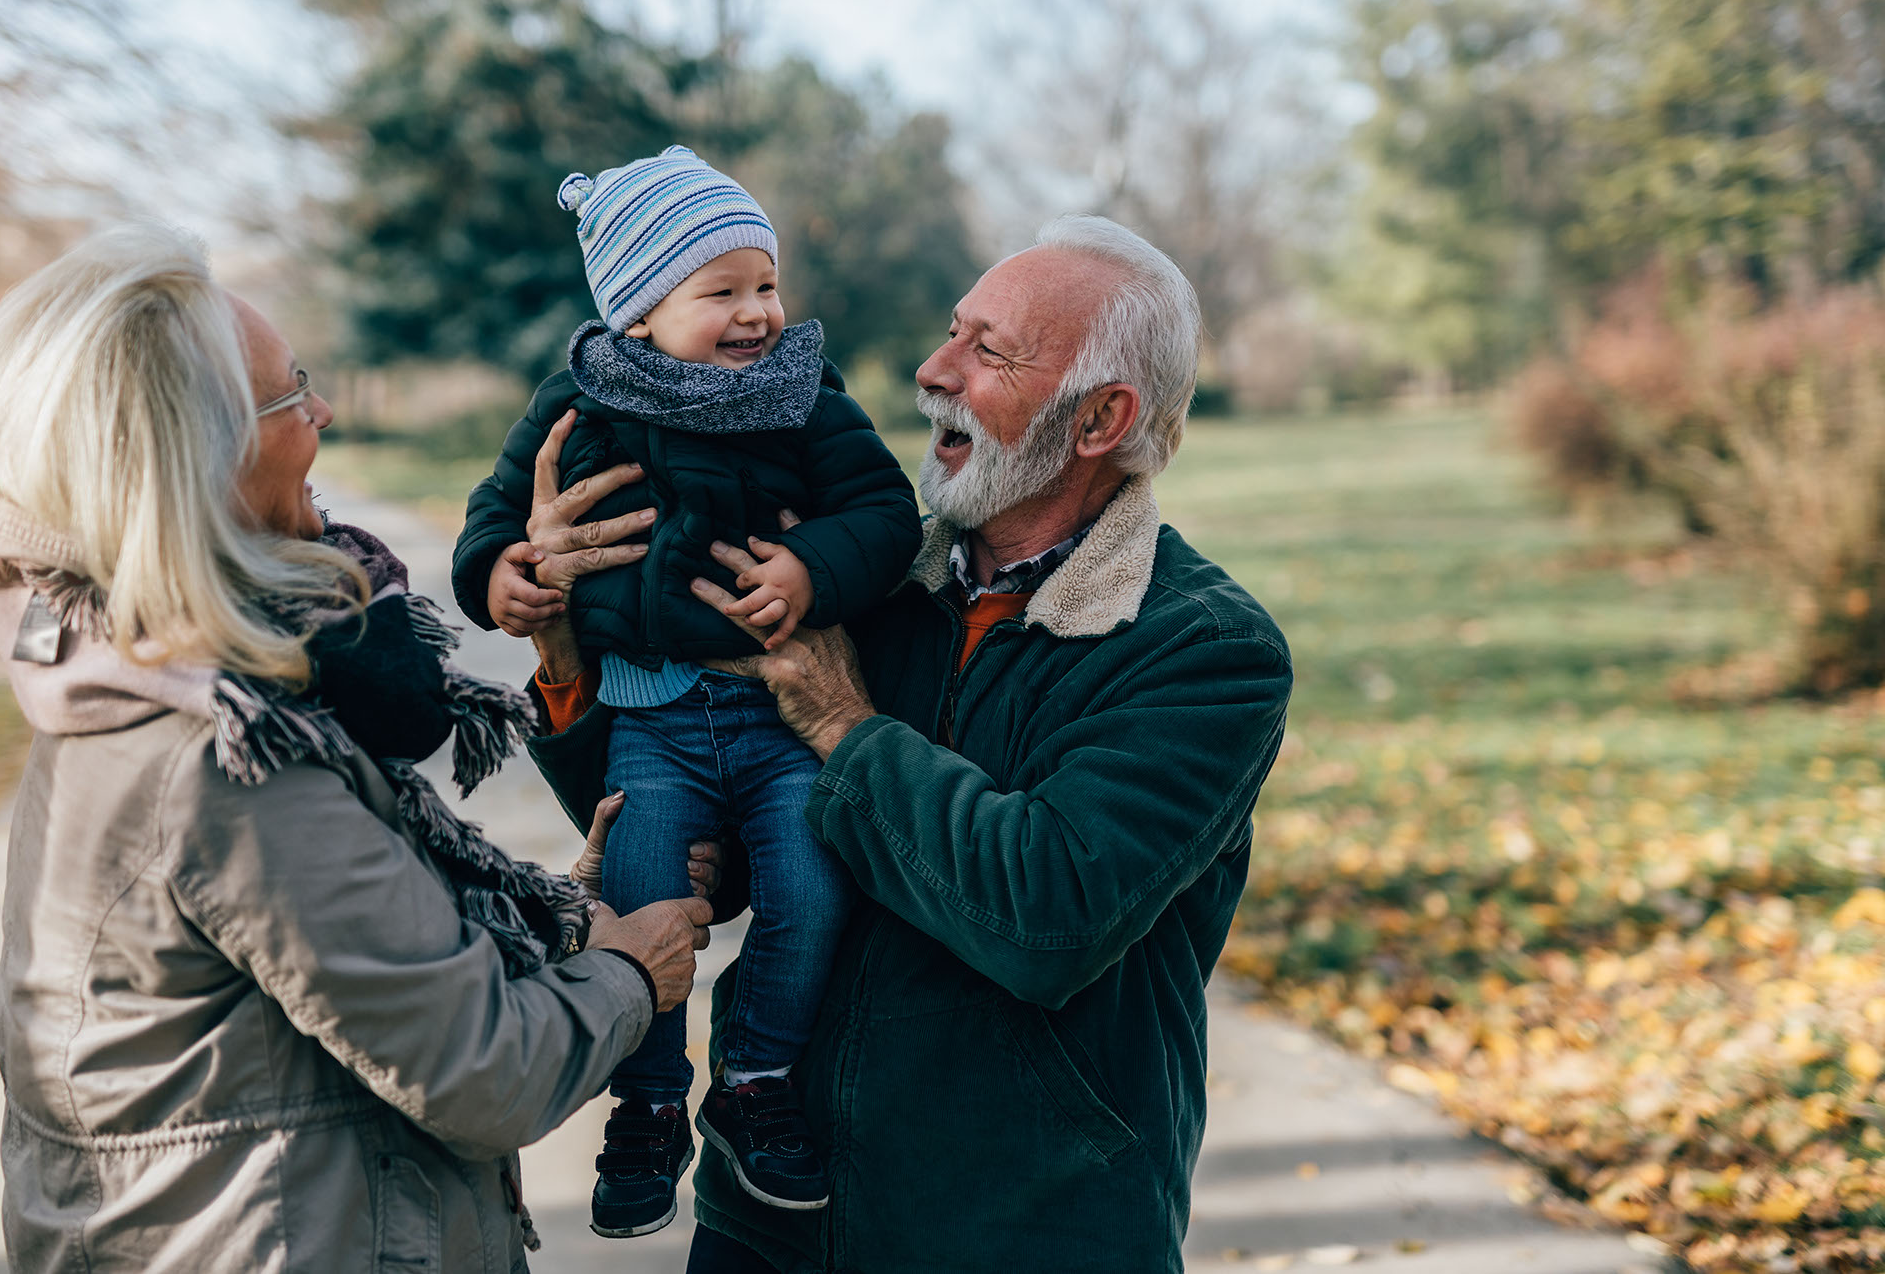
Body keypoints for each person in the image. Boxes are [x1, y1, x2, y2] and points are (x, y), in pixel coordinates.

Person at [502, 214, 1294, 1273]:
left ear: (1102, 417)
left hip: (1023, 1228)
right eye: (952, 332)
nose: (934, 371)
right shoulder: (861, 583)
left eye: (989, 352)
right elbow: (709, 843)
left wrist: (843, 725)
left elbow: (1045, 916)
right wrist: (565, 639)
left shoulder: (1200, 647)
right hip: (771, 1211)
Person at [0, 222, 716, 1273]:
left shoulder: (123, 668)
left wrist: (557, 913)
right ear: (194, 459)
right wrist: (632, 974)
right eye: (287, 398)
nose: (321, 411)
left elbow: (356, 957)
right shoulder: (221, 757)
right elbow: (482, 1068)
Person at [451, 146, 922, 1240]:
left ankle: (753, 1079)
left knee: (811, 889)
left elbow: (882, 513)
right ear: (640, 310)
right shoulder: (581, 401)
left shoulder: (803, 395)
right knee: (646, 906)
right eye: (722, 292)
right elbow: (494, 514)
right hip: (650, 723)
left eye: (767, 285)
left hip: (776, 718)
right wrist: (503, 574)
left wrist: (812, 572)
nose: (758, 313)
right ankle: (650, 1099)